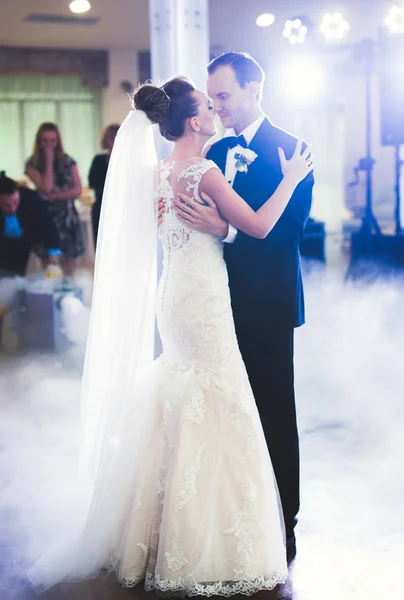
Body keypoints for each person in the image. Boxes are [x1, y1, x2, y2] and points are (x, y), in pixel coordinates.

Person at [29, 77, 313, 595]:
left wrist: (211, 227)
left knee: (181, 391)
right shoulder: (204, 170)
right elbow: (258, 226)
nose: (214, 109)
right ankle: (206, 533)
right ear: (195, 121)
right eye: (208, 104)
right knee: (218, 396)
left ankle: (154, 526)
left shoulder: (160, 172)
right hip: (203, 298)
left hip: (174, 295)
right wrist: (291, 178)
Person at [168, 53, 315, 562]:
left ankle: (285, 520)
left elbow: (289, 233)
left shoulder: (292, 149)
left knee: (274, 410)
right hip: (213, 304)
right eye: (213, 99)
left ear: (254, 87)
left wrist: (225, 230)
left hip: (268, 304)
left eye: (225, 95)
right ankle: (232, 516)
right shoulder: (214, 148)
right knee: (227, 414)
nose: (218, 106)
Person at [25, 122, 84, 276]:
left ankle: (70, 299)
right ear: (38, 141)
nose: (49, 144)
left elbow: (78, 190)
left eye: (53, 140)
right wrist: (49, 160)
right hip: (45, 219)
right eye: (45, 140)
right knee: (49, 271)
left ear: (58, 141)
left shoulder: (68, 161)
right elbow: (47, 187)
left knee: (69, 270)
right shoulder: (32, 164)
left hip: (68, 220)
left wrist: (54, 196)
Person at [0, 171, 61, 277]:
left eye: (15, 202)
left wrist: (53, 261)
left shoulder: (31, 199)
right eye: (6, 205)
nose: (12, 208)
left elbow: (49, 228)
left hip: (22, 245)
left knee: (16, 279)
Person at [88, 124, 120, 248]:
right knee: (101, 244)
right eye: (111, 139)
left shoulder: (128, 162)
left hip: (120, 206)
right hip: (101, 206)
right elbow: (92, 182)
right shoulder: (99, 160)